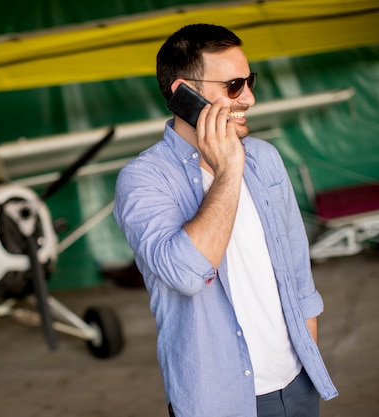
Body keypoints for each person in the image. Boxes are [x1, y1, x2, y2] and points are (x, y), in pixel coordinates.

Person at [113, 23, 338, 417]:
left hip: (297, 384)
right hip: (218, 401)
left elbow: (298, 271)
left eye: (250, 81)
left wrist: (306, 359)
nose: (249, 97)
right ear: (185, 92)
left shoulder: (265, 157)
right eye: (234, 86)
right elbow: (185, 274)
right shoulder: (142, 179)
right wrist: (229, 167)